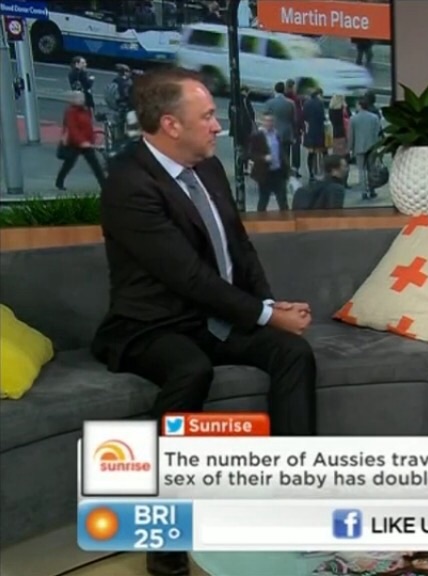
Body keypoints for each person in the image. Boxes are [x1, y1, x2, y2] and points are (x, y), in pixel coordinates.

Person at [90, 67, 318, 576]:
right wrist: (266, 315)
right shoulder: (129, 183)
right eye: (208, 116)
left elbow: (239, 248)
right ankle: (165, 545)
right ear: (171, 125)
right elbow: (186, 276)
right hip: (151, 325)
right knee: (191, 370)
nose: (218, 125)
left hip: (216, 316)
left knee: (293, 353)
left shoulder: (208, 167)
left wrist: (269, 305)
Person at [55, 90, 105, 191]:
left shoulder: (86, 110)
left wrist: (90, 140)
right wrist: (81, 142)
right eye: (79, 98)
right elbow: (72, 128)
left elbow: (88, 126)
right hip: (74, 143)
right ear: (73, 100)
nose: (82, 100)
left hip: (85, 142)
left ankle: (104, 185)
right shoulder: (71, 112)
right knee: (69, 163)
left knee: (95, 165)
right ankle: (59, 182)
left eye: (82, 97)